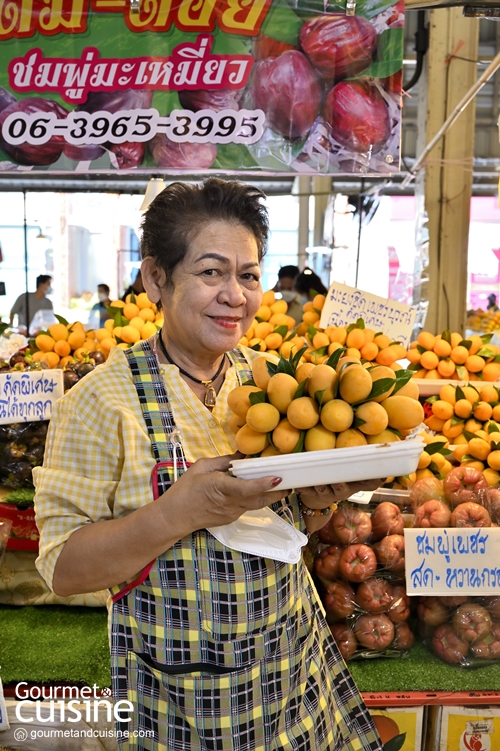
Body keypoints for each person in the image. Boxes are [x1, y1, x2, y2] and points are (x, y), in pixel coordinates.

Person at [33, 179, 383, 751]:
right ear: (156, 278)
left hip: (292, 674)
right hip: (179, 700)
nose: (236, 296)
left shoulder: (275, 382)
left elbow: (294, 530)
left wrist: (323, 498)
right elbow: (64, 568)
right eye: (212, 272)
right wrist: (179, 512)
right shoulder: (100, 403)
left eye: (248, 275)